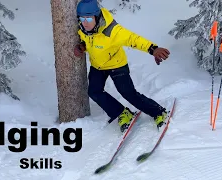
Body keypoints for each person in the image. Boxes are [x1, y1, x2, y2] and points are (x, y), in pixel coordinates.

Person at [73, 0, 171, 133]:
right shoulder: (82, 28)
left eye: (89, 18)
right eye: (82, 18)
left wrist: (153, 49)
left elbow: (133, 39)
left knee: (128, 94)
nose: (85, 22)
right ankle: (122, 113)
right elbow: (88, 40)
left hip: (116, 65)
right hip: (98, 66)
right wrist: (82, 47)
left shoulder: (113, 31)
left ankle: (159, 112)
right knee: (94, 92)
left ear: (97, 16)